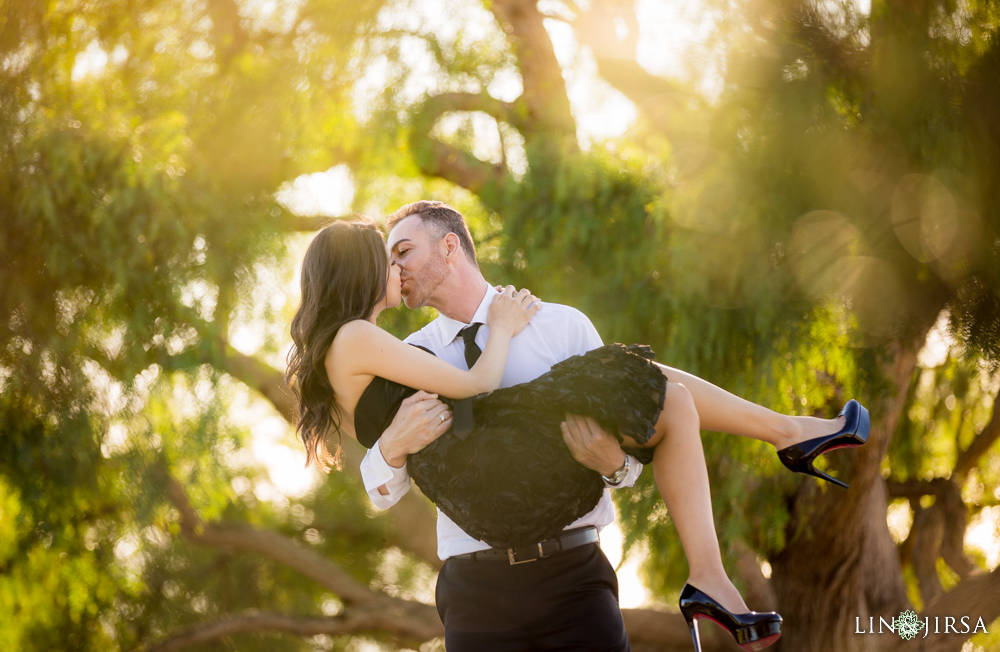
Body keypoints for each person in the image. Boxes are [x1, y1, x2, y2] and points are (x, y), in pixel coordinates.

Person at [285, 202, 870, 652]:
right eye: (387, 257)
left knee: (658, 394)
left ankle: (780, 447)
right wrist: (389, 447)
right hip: (474, 585)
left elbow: (631, 457)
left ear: (449, 247)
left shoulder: (560, 325)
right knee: (654, 387)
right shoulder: (408, 349)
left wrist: (613, 466)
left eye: (404, 251)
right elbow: (384, 477)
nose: (398, 268)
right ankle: (783, 441)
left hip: (575, 573)